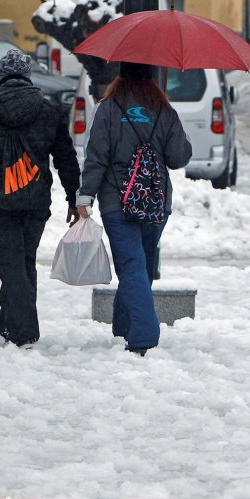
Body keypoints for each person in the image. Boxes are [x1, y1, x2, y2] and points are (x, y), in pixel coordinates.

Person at [0, 49, 81, 348]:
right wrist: (74, 197)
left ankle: (21, 332)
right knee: (24, 262)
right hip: (36, 201)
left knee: (12, 263)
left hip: (0, 200)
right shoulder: (48, 110)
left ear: (1, 76)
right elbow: (65, 158)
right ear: (27, 75)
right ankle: (12, 325)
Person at [76, 62, 192, 356]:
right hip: (155, 202)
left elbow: (97, 156)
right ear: (152, 78)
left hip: (117, 201)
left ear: (120, 77)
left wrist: (86, 194)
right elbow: (179, 157)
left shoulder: (109, 109)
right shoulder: (164, 110)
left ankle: (142, 336)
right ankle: (123, 327)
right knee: (142, 267)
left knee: (132, 267)